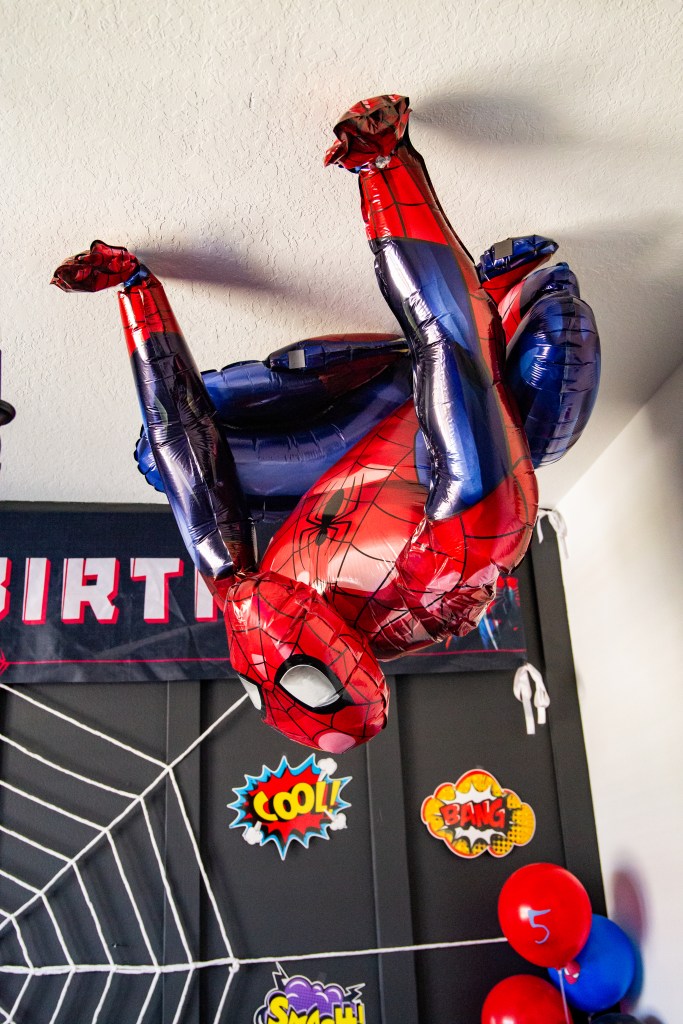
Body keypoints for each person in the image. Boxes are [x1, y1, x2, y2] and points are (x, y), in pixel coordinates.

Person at [52, 95, 599, 753]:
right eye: (300, 679)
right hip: (471, 427)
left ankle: (453, 314)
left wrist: (136, 290)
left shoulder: (247, 599)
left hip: (364, 436)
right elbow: (453, 354)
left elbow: (180, 442)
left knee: (159, 461)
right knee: (537, 338)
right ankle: (487, 289)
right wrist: (383, 166)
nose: (262, 648)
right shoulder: (452, 563)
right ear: (348, 675)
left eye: (256, 681)